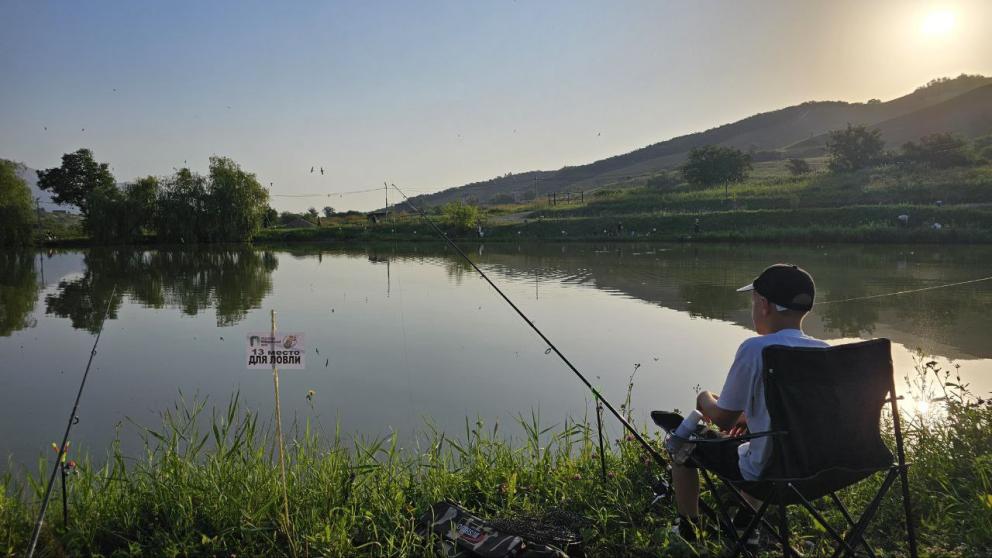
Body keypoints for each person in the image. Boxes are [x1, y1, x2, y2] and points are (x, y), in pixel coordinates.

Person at [671, 263, 828, 543]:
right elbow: (799, 413)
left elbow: (722, 419)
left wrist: (704, 397)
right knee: (757, 439)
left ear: (764, 305)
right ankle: (746, 523)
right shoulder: (825, 352)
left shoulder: (755, 349)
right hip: (820, 471)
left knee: (682, 447)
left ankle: (689, 532)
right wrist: (751, 417)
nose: (752, 308)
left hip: (769, 473)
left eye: (753, 301)